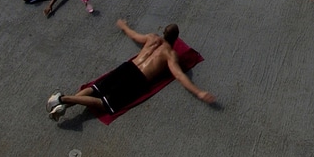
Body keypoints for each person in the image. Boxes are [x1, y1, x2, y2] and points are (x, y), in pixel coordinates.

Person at [47, 19, 215, 121]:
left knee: (94, 89)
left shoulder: (152, 38)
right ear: (176, 39)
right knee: (104, 104)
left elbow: (134, 36)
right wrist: (198, 92)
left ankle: (63, 106)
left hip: (128, 67)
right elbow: (179, 75)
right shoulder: (171, 55)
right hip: (137, 79)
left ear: (162, 32)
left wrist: (124, 26)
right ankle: (63, 98)